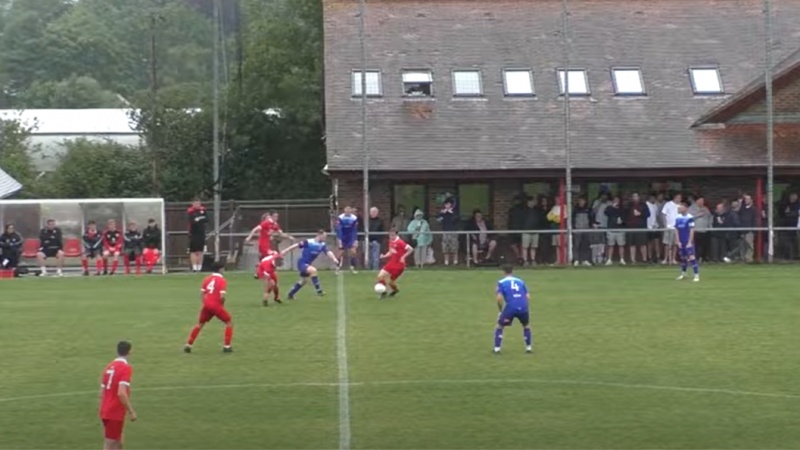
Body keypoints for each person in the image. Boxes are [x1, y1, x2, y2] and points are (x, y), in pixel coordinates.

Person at [184, 261, 233, 353]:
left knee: (200, 324)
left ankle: (188, 344)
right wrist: (221, 304)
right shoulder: (222, 280)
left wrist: (206, 303)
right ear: (220, 269)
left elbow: (202, 294)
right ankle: (227, 346)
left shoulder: (207, 279)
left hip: (207, 304)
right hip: (216, 305)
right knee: (229, 322)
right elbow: (222, 296)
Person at [99, 340, 136, 450]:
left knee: (118, 442)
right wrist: (131, 411)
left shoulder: (108, 367)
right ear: (129, 352)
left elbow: (102, 392)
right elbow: (121, 393)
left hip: (105, 410)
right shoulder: (126, 368)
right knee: (110, 444)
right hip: (114, 412)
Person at [282, 230, 340, 300]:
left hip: (307, 264)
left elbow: (328, 252)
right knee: (313, 270)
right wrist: (285, 250)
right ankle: (319, 291)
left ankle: (290, 294)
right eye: (324, 236)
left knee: (303, 281)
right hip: (302, 263)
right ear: (319, 235)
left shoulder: (322, 245)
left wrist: (334, 259)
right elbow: (296, 245)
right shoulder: (309, 242)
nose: (325, 238)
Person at [493, 265, 533, 355]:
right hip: (523, 307)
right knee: (526, 325)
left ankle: (497, 349)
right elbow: (528, 297)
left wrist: (500, 311)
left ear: (503, 272)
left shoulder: (501, 282)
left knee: (500, 326)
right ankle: (529, 348)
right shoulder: (521, 281)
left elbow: (499, 298)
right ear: (512, 272)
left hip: (511, 307)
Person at [245, 211, 294, 277]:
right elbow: (255, 229)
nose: (276, 218)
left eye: (277, 216)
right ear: (271, 216)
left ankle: (260, 272)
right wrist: (249, 237)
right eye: (275, 216)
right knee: (275, 255)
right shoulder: (266, 223)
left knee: (266, 259)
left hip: (268, 245)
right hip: (263, 245)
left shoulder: (275, 225)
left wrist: (289, 237)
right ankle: (266, 271)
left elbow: (281, 234)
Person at [377, 228, 414, 298]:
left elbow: (411, 249)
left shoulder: (400, 242)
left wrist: (403, 257)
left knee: (390, 282)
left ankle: (395, 290)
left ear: (396, 235)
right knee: (380, 276)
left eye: (393, 235)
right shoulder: (391, 241)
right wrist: (384, 256)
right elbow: (391, 251)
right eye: (390, 235)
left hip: (399, 265)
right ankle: (383, 292)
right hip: (391, 263)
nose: (391, 237)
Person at [675, 203, 700, 282]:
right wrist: (678, 240)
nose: (679, 209)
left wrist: (690, 241)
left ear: (685, 208)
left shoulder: (690, 218)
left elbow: (692, 230)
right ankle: (683, 273)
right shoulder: (677, 217)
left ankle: (696, 275)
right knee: (683, 258)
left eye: (681, 208)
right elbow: (676, 229)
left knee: (691, 257)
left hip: (687, 240)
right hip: (681, 241)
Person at [436, 200, 460, 266]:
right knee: (445, 247)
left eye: (448, 204)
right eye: (446, 204)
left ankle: (455, 262)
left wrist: (451, 213)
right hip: (445, 232)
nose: (447, 206)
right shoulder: (443, 213)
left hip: (453, 232)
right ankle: (446, 262)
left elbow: (457, 220)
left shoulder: (454, 212)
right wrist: (442, 214)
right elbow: (438, 220)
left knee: (454, 247)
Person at [187, 199, 208, 273]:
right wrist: (199, 219)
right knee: (193, 251)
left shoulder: (203, 210)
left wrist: (199, 219)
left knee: (200, 251)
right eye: (195, 203)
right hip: (193, 233)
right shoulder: (190, 211)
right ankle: (194, 267)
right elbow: (193, 221)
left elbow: (206, 219)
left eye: (198, 203)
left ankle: (199, 267)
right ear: (193, 204)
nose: (197, 205)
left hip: (201, 233)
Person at [336, 206, 359, 273]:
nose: (348, 212)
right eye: (346, 210)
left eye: (349, 210)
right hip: (343, 236)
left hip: (350, 236)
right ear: (344, 211)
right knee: (340, 253)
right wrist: (339, 239)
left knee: (353, 252)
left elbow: (354, 230)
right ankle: (337, 267)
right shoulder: (341, 217)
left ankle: (352, 267)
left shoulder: (354, 218)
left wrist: (355, 239)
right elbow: (339, 229)